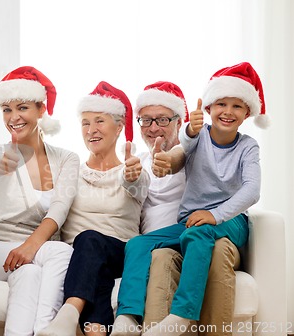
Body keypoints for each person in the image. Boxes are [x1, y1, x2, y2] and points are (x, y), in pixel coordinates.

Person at [112, 62, 268, 336]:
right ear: (208, 109)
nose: (228, 112)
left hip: (230, 221)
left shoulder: (247, 146)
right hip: (192, 223)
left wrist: (215, 214)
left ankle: (182, 315)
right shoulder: (197, 136)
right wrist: (167, 160)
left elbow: (252, 190)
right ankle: (127, 316)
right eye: (221, 104)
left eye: (237, 106)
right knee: (138, 244)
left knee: (198, 233)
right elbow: (181, 149)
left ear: (246, 114)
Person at [0, 66, 80, 336]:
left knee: (29, 275)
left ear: (41, 110)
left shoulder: (67, 159)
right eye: (7, 109)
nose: (13, 117)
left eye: (22, 108)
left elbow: (60, 208)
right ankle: (48, 330)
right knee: (61, 251)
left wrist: (30, 247)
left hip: (30, 255)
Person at [36, 81, 149, 336]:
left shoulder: (133, 169)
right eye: (85, 123)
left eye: (99, 121)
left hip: (120, 252)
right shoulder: (70, 170)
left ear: (119, 127)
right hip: (80, 259)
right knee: (92, 259)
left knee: (88, 239)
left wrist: (132, 176)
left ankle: (69, 311)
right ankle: (96, 331)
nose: (91, 130)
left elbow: (137, 186)